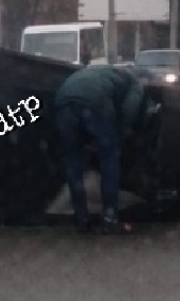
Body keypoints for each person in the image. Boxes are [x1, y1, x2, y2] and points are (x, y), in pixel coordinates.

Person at [54, 65, 146, 234]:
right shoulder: (134, 83)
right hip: (95, 104)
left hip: (64, 102)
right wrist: (120, 135)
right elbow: (128, 112)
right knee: (109, 158)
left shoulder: (100, 72)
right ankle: (109, 217)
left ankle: (81, 218)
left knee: (74, 161)